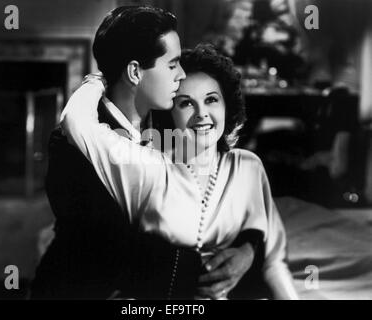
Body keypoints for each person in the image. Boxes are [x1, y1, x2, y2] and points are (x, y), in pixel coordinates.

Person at [31, 6, 257, 300]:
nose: (182, 74)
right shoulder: (74, 147)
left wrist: (246, 250)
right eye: (172, 64)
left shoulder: (169, 118)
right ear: (135, 71)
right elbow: (119, 258)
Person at [60, 43, 298, 300]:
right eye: (186, 103)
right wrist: (100, 79)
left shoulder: (248, 167)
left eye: (211, 99)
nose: (202, 114)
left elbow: (273, 260)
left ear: (226, 105)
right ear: (169, 113)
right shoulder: (146, 166)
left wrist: (248, 252)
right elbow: (75, 122)